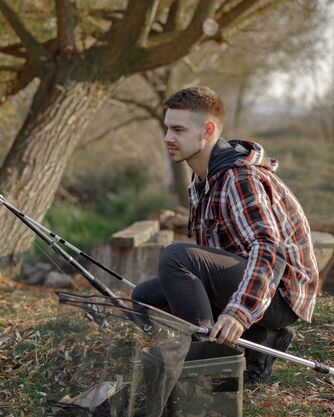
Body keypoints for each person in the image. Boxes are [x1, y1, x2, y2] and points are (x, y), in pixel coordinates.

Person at [132, 86, 319, 384]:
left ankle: (212, 368)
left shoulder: (239, 178)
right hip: (251, 283)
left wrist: (238, 313)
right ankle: (259, 342)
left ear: (207, 131)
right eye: (167, 128)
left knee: (176, 257)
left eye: (178, 129)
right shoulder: (202, 179)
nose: (168, 138)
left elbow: (269, 249)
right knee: (144, 297)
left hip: (280, 295)